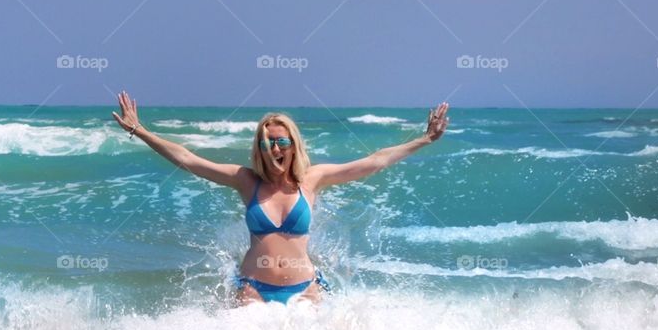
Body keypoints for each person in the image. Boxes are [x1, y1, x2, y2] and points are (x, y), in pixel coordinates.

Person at [112, 91, 450, 304]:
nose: (275, 147)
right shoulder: (246, 181)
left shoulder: (312, 180)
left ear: (294, 145)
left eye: (281, 141)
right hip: (253, 290)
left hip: (305, 289)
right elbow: (188, 160)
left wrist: (424, 140)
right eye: (267, 142)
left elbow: (373, 162)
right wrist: (140, 131)